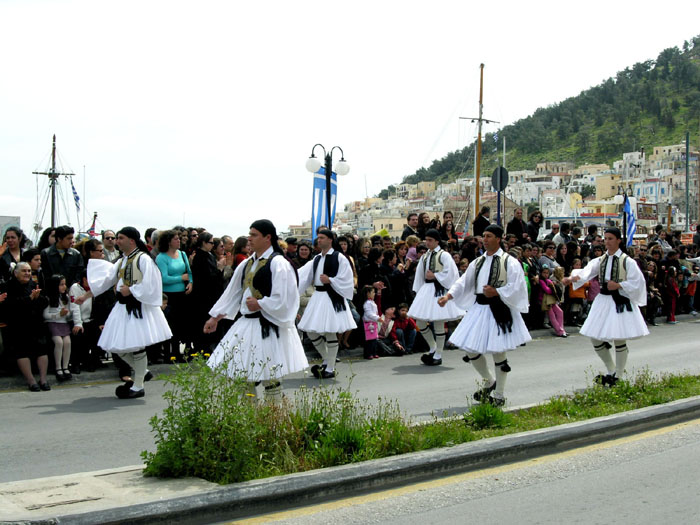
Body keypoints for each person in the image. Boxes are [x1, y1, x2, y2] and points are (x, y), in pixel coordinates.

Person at [205, 220, 308, 403]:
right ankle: (249, 421)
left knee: (271, 377)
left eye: (254, 235)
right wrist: (216, 317)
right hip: (247, 324)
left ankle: (272, 422)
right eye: (249, 234)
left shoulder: (278, 263)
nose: (249, 238)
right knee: (243, 375)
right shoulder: (248, 263)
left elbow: (286, 297)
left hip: (268, 325)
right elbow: (233, 293)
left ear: (267, 237)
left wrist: (262, 303)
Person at [438, 224, 530, 406]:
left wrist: (497, 292)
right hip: (479, 308)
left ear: (498, 238)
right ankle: (489, 381)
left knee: (498, 351)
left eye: (489, 236)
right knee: (470, 349)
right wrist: (449, 295)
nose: (485, 240)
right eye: (484, 236)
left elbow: (517, 285)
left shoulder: (509, 261)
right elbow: (464, 281)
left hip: (499, 309)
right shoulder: (477, 262)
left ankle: (499, 394)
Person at [88, 227, 172, 398]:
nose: (117, 241)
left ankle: (138, 385)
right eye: (117, 238)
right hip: (122, 307)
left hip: (137, 307)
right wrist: (85, 295)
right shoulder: (123, 260)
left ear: (131, 240)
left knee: (136, 345)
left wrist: (132, 290)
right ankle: (143, 371)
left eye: (120, 238)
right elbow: (109, 278)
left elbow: (152, 282)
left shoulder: (143, 259)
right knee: (115, 345)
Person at [563, 227, 649, 386]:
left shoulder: (627, 261)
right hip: (602, 301)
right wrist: (572, 278)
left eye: (610, 238)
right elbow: (587, 271)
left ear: (618, 240)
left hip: (619, 301)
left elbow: (639, 282)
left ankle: (619, 376)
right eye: (606, 238)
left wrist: (619, 285)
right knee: (595, 337)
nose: (607, 242)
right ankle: (611, 369)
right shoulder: (601, 260)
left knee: (619, 338)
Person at [297, 229, 356, 378]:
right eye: (318, 238)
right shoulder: (316, 258)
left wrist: (331, 280)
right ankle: (327, 359)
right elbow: (302, 275)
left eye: (322, 238)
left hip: (332, 297)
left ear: (330, 240)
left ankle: (329, 367)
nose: (319, 240)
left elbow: (348, 279)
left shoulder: (339, 258)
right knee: (310, 331)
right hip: (318, 297)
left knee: (330, 332)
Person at [408, 229, 464, 366]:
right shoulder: (425, 256)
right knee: (420, 322)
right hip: (427, 290)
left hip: (439, 290)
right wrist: (419, 291)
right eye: (426, 240)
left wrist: (435, 276)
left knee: (439, 323)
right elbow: (420, 275)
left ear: (437, 241)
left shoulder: (444, 255)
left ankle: (438, 354)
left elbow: (452, 273)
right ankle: (433, 347)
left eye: (430, 240)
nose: (427, 242)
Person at [3, 262, 51, 391]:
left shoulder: (33, 284)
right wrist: (29, 299)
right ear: (16, 273)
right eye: (24, 271)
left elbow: (45, 300)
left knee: (41, 349)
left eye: (29, 271)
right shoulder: (9, 286)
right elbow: (10, 306)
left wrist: (37, 298)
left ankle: (43, 379)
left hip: (36, 323)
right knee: (22, 352)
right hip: (18, 325)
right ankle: (31, 381)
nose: (27, 274)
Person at [156, 230, 193, 361]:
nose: (179, 241)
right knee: (169, 324)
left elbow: (189, 272)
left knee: (180, 324)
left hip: (182, 294)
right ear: (168, 241)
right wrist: (180, 278)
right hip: (169, 295)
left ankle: (178, 352)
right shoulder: (161, 257)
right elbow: (164, 278)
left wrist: (190, 282)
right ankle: (168, 353)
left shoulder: (182, 254)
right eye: (176, 239)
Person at [190, 232, 225, 352]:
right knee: (202, 321)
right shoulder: (200, 256)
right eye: (211, 242)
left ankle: (208, 346)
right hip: (203, 295)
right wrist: (219, 269)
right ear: (204, 243)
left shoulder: (209, 255)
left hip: (211, 295)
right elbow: (207, 277)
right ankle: (202, 348)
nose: (212, 245)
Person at [43, 274, 74, 381]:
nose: (64, 287)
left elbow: (69, 314)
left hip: (64, 323)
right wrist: (58, 315)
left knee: (67, 342)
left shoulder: (66, 298)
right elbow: (45, 315)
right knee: (59, 342)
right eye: (61, 285)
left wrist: (67, 313)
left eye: (65, 284)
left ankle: (65, 366)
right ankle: (58, 367)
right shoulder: (48, 298)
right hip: (53, 323)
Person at [361, 285, 381, 360]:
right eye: (373, 292)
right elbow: (369, 313)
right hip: (369, 323)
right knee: (369, 340)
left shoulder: (372, 302)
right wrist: (377, 318)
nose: (374, 294)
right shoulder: (367, 303)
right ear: (368, 293)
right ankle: (368, 353)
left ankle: (374, 352)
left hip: (373, 322)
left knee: (374, 339)